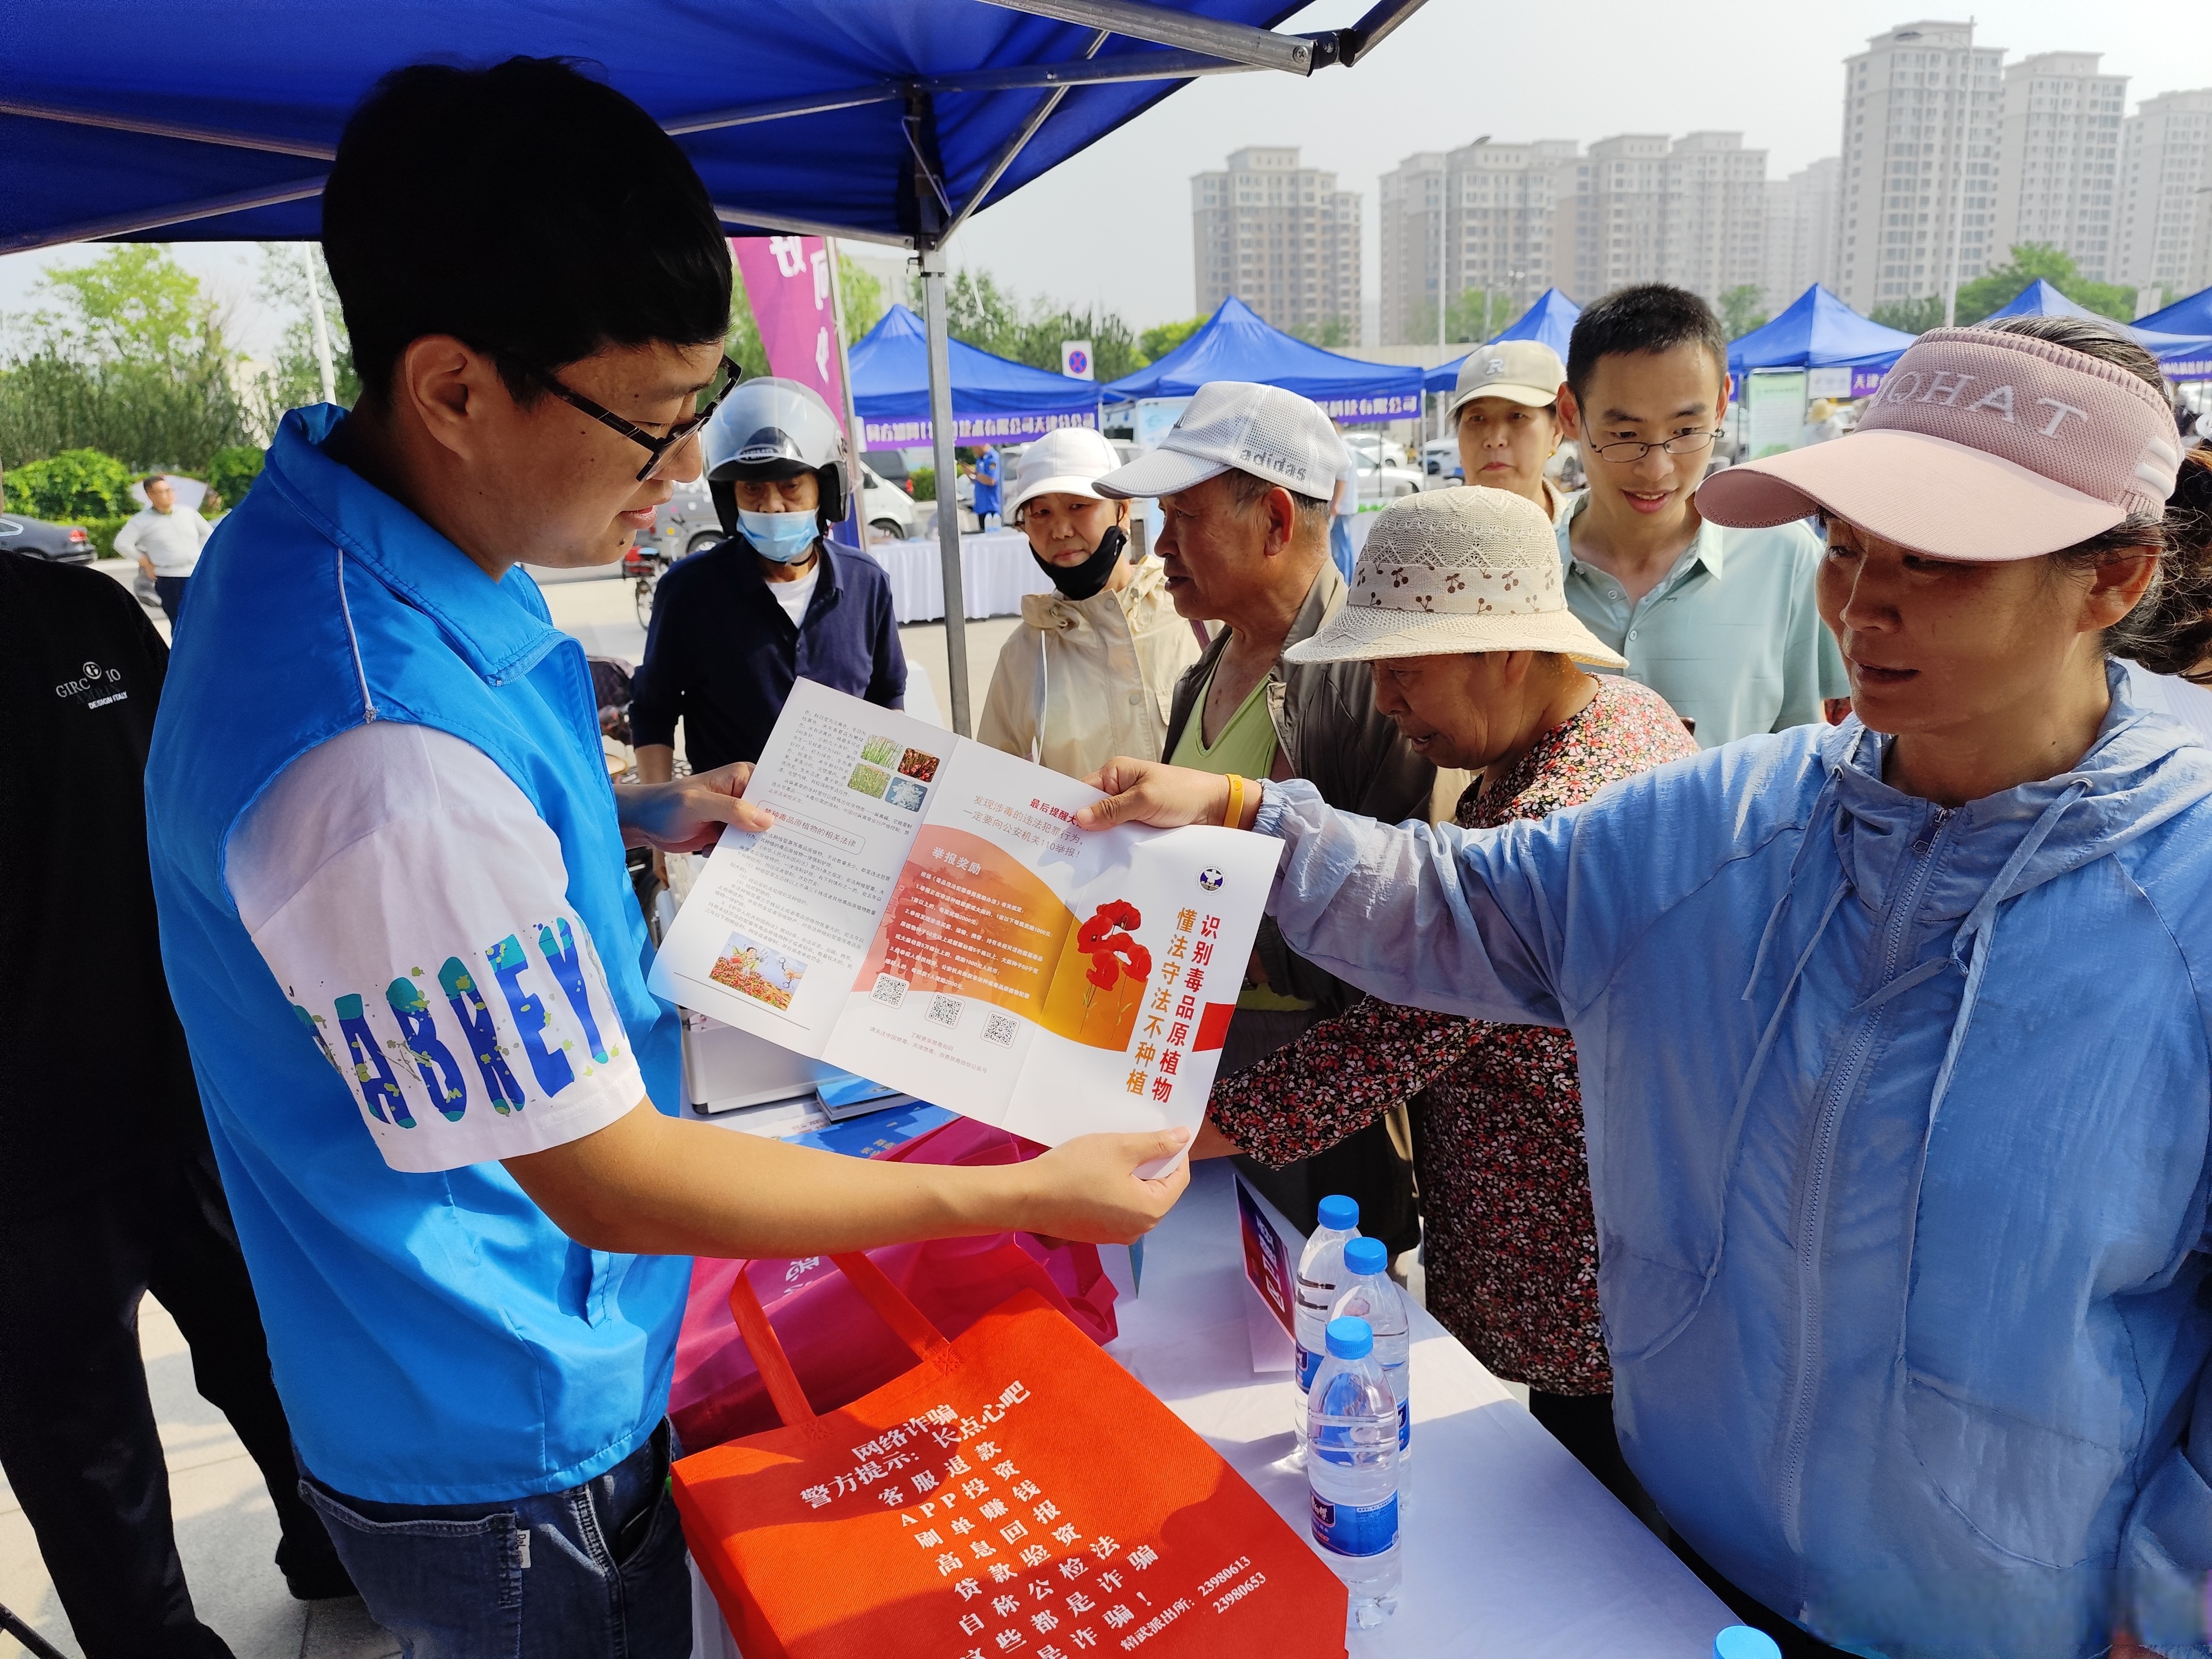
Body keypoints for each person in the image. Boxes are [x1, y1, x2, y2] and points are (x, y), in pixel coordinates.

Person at [142, 59, 1187, 1653]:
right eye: (655, 423)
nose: (686, 472)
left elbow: (414, 869)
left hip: (446, 1347)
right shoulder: (382, 767)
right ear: (452, 389)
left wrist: (638, 815)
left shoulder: (341, 532)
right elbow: (612, 1182)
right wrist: (1017, 1191)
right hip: (507, 1436)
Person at [1078, 316, 2212, 1657]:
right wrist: (1241, 811)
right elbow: (1463, 908)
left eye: (1936, 561)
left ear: (2112, 579)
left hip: (2015, 1619)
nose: (1862, 605)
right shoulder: (1732, 820)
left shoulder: (2185, 887)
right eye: (1845, 548)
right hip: (1690, 1561)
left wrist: (2173, 1594)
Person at [1194, 487, 1696, 1508]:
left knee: (1601, 1527)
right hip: (1585, 1259)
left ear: (1505, 652)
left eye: (1403, 671)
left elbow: (1393, 1037)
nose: (1383, 703)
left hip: (1584, 1278)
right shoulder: (1614, 718)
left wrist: (1175, 1134)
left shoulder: (1565, 807)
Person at [1, 496, 354, 1654]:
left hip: (192, 1084)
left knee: (275, 1348)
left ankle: (339, 1547)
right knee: (82, 1443)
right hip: (23, 1165)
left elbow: (201, 798)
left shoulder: (81, 611)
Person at [1092, 381, 1430, 1259]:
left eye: (1184, 518)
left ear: (1277, 521)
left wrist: (1224, 933)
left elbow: (1403, 935)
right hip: (1199, 1065)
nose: (1160, 547)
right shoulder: (1204, 674)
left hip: (1313, 1097)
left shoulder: (1374, 681)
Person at [1555, 284, 1846, 745]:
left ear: (1721, 404)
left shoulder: (1785, 558)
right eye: (1625, 434)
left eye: (1686, 430)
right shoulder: (1525, 573)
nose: (1657, 469)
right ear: (1571, 413)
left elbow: (1804, 745)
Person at [631, 376, 903, 784]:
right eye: (753, 488)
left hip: (837, 815)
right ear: (730, 498)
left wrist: (879, 796)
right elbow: (654, 709)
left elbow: (887, 696)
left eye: (791, 486)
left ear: (825, 490)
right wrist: (660, 814)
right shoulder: (689, 591)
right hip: (727, 819)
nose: (772, 505)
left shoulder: (867, 584)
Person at [974, 426, 1200, 779]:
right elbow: (990, 780)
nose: (1061, 530)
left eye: (1078, 506)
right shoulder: (1024, 652)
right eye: (1041, 513)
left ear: (1122, 511)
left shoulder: (1193, 610)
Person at [1446, 339, 1576, 523]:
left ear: (1556, 433)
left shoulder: (1589, 536)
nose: (1495, 440)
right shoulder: (1423, 536)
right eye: (1477, 419)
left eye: (1517, 416)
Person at [114, 473, 213, 627]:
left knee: (205, 619)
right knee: (180, 622)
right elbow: (122, 543)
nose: (169, 495)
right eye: (163, 492)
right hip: (170, 579)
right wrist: (145, 562)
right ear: (150, 495)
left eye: (170, 490)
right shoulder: (142, 521)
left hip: (197, 574)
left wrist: (201, 555)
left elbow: (207, 534)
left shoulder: (187, 513)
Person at [1328, 445, 1360, 580]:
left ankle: (1343, 582)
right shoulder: (1349, 449)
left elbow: (1342, 479)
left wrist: (1335, 503)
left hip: (1341, 507)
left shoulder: (1339, 448)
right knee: (1346, 546)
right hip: (1348, 505)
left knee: (1340, 548)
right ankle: (1350, 580)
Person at [971, 442, 1002, 528]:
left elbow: (992, 481)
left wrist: (975, 473)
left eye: (974, 447)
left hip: (992, 507)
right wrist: (970, 475)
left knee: (993, 533)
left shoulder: (993, 458)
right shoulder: (980, 460)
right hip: (981, 507)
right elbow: (979, 481)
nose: (973, 450)